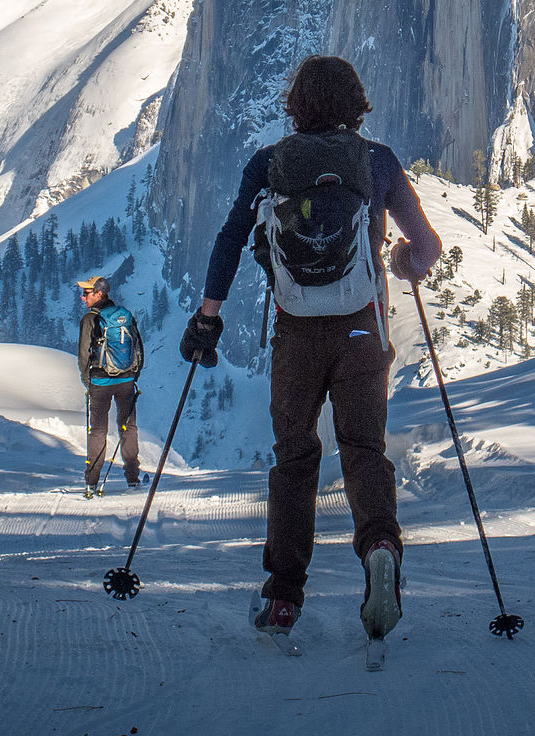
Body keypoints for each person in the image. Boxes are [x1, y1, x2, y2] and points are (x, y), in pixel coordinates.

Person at [180, 55, 441, 641]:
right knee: (363, 449)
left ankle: (282, 599)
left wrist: (208, 316)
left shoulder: (270, 164)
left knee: (295, 458)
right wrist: (401, 260)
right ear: (355, 104)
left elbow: (229, 238)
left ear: (296, 105)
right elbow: (424, 246)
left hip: (296, 335)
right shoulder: (376, 162)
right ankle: (378, 546)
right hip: (361, 332)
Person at [77, 275, 144, 498]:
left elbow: (83, 355)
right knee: (128, 427)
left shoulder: (90, 319)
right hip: (126, 380)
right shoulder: (123, 315)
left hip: (100, 382)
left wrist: (88, 380)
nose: (83, 296)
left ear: (99, 293)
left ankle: (92, 482)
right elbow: (138, 345)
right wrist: (133, 375)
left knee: (97, 432)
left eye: (86, 293)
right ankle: (133, 478)